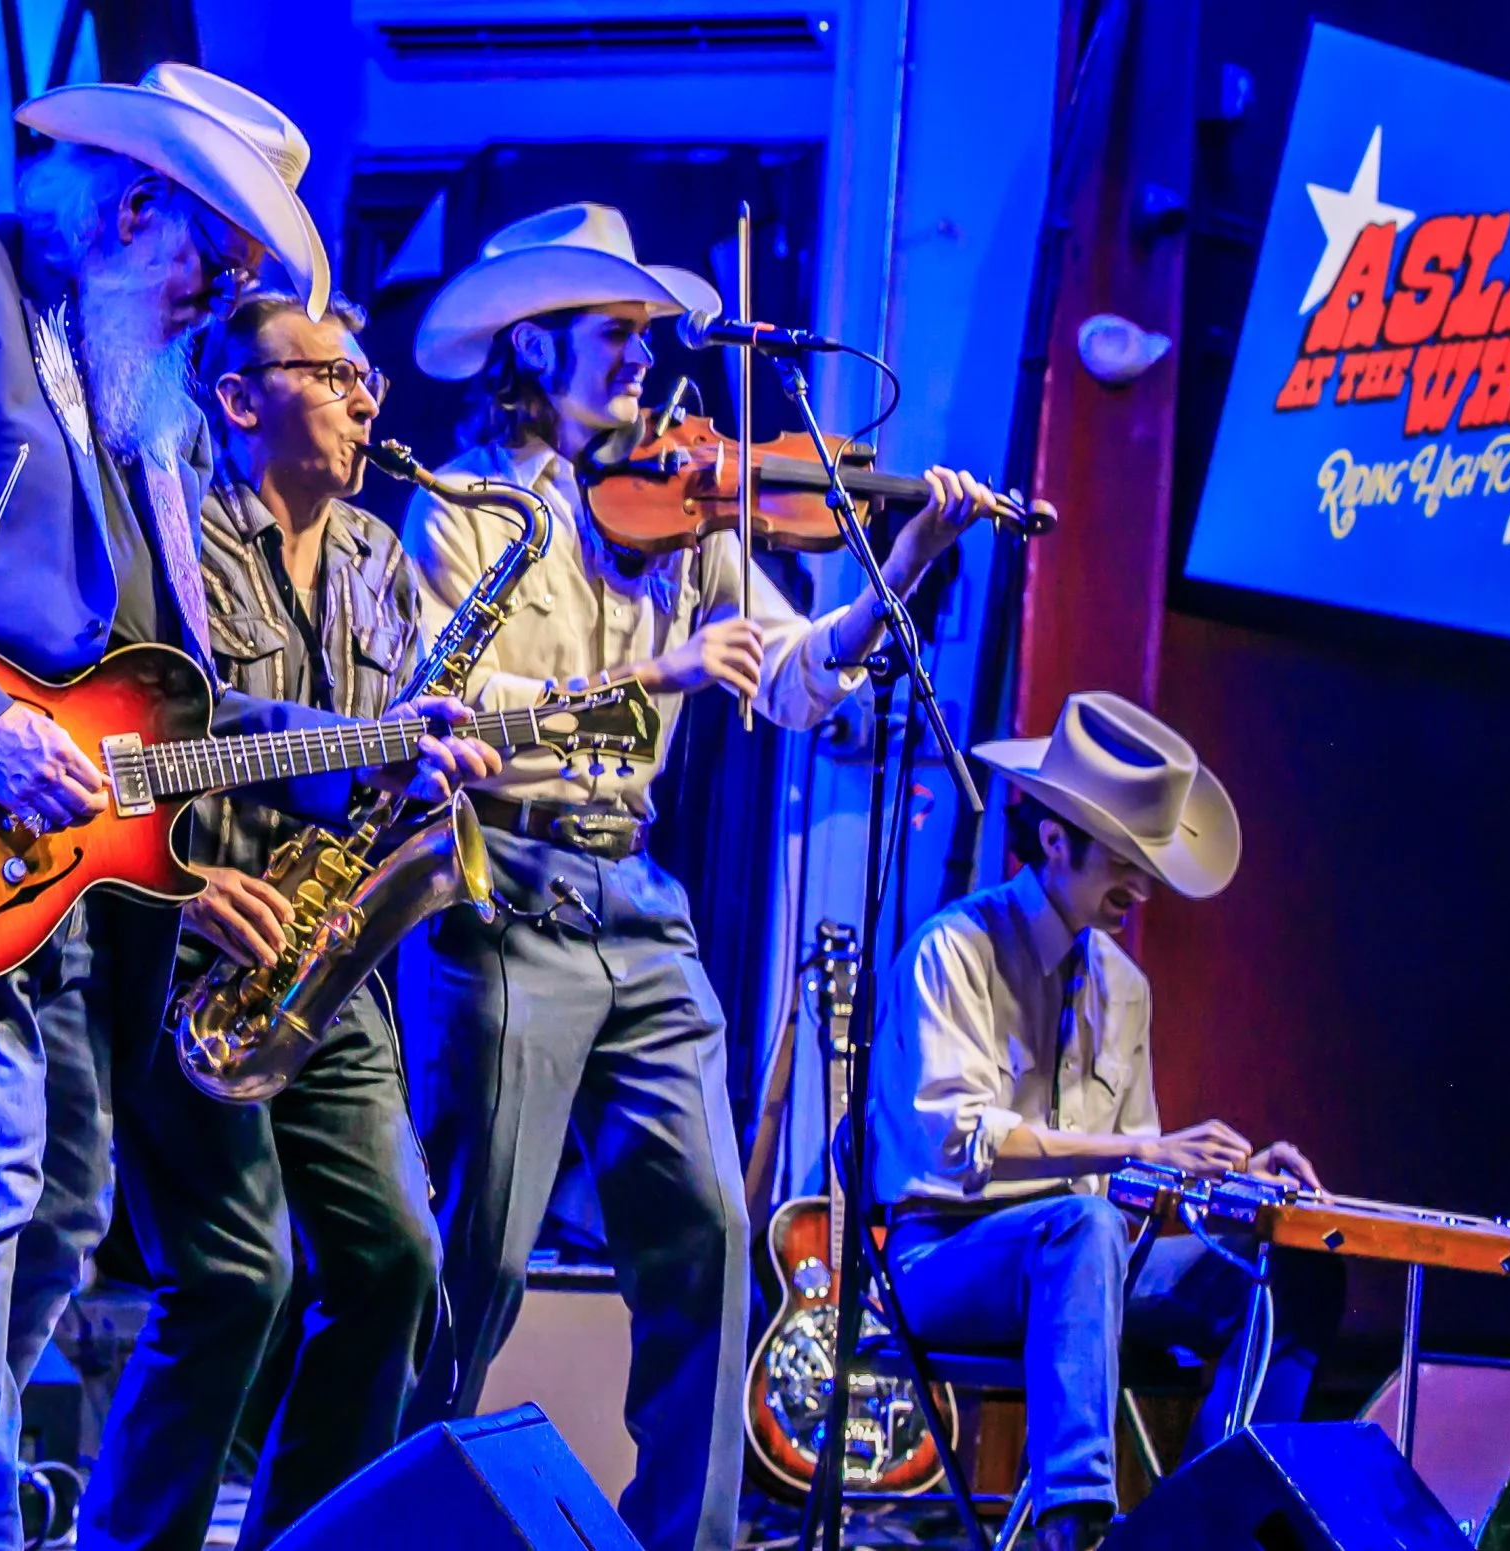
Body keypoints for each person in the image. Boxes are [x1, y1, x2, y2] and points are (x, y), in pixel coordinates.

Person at [0, 65, 485, 1551]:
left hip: (73, 879)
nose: (218, 291)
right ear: (134, 203)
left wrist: (374, 738)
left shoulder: (143, 418)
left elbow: (180, 711)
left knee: (62, 1210)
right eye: (207, 255)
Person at [397, 201, 1022, 1551]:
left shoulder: (691, 503)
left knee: (706, 1238)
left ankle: (680, 1535)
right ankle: (398, 1518)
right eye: (610, 333)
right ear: (529, 343)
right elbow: (444, 702)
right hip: (500, 896)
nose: (640, 356)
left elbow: (794, 673)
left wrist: (901, 563)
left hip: (638, 905)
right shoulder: (460, 511)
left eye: (641, 331)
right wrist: (649, 673)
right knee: (474, 1258)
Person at [78, 288, 466, 1551]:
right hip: (193, 950)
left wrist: (435, 772)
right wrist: (190, 899)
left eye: (368, 376)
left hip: (324, 963)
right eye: (335, 373)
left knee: (396, 1265)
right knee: (238, 1277)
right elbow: (134, 734)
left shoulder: (378, 560)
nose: (369, 397)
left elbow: (389, 757)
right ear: (239, 401)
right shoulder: (177, 538)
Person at [867, 692, 1346, 1551]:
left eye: (1149, 861)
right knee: (1080, 1226)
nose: (1143, 885)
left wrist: (1229, 1178)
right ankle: (1074, 1526)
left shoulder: (1124, 986)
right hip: (943, 1259)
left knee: (1291, 1266)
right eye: (1125, 857)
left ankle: (1212, 1519)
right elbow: (958, 1143)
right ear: (1054, 840)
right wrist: (1142, 1147)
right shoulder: (953, 950)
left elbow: (1133, 1182)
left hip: (1087, 1265)